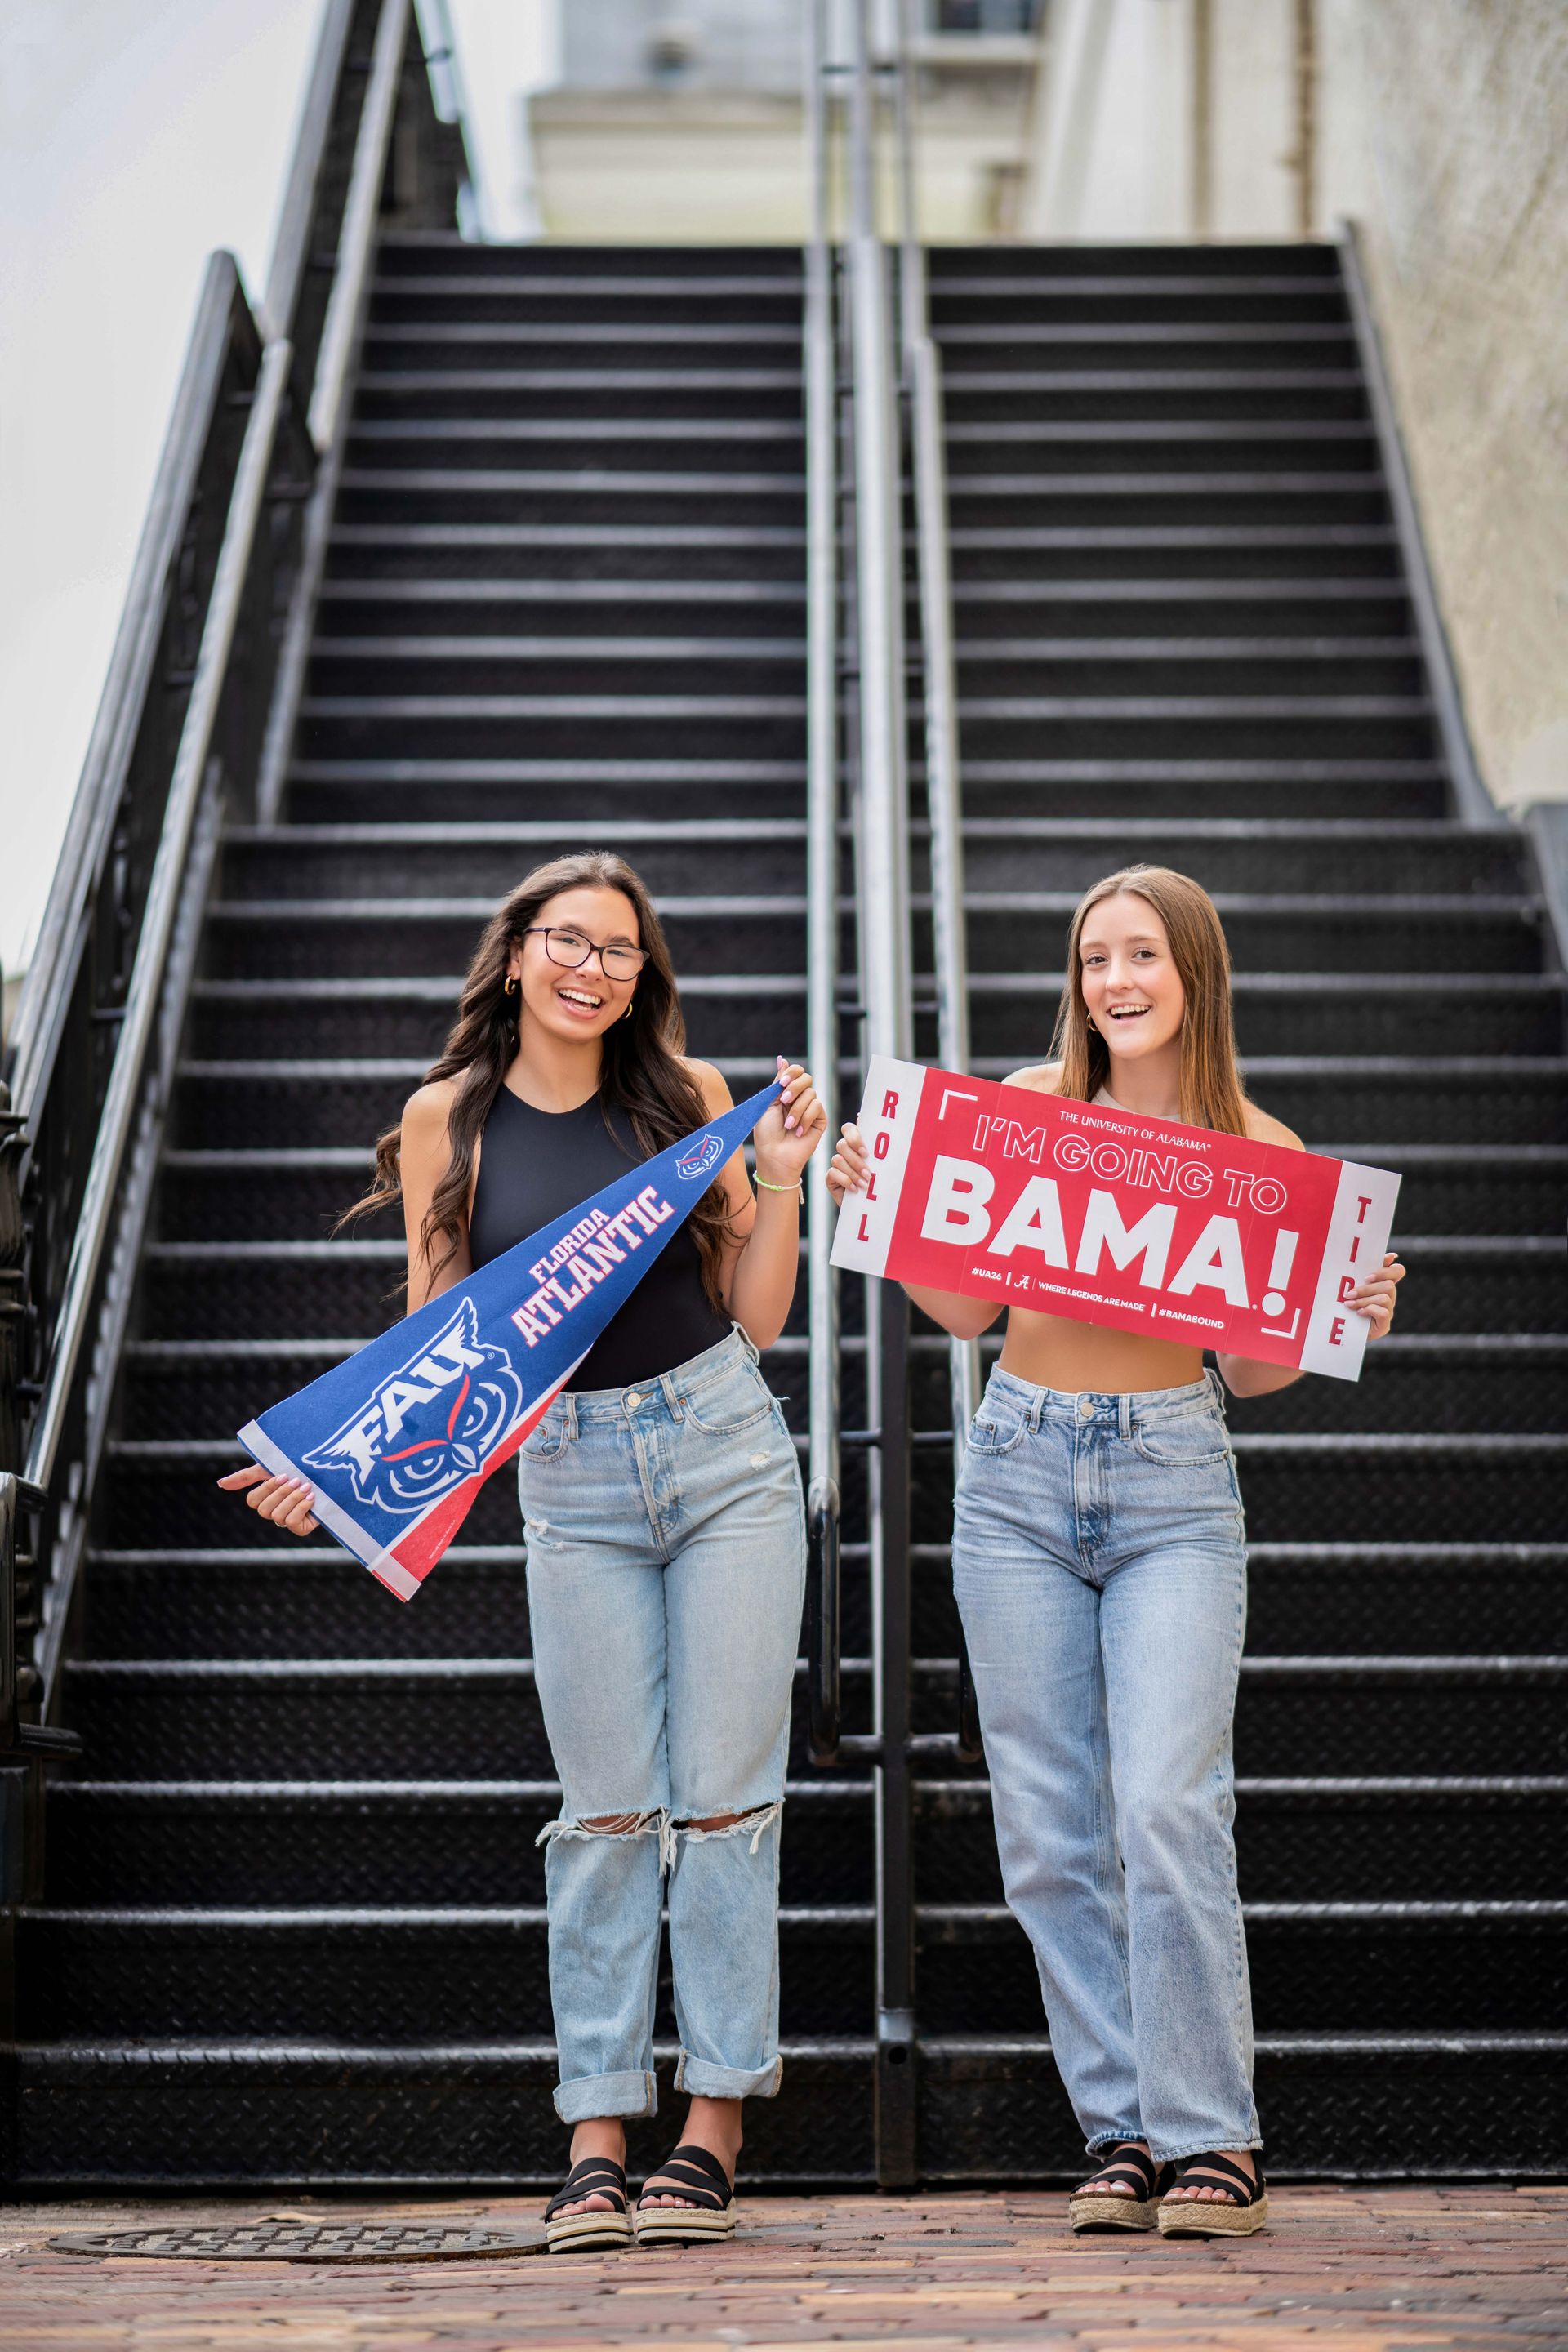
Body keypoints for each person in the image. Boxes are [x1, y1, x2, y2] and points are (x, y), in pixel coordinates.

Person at [220, 850, 826, 2252]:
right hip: (573, 1480)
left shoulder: (686, 1100)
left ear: (641, 979)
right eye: (570, 940)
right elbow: (441, 1347)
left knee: (725, 1802)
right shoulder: (452, 1119)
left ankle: (715, 2124)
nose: (592, 967)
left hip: (726, 1451)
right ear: (516, 957)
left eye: (621, 951)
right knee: (606, 1808)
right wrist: (341, 1474)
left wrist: (780, 1180)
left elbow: (756, 1315)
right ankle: (599, 2128)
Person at [826, 865, 1403, 2239]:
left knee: (1164, 1806)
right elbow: (963, 1305)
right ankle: (1124, 2130)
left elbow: (1256, 1375)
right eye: (1096, 959)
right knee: (1046, 1830)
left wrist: (1350, 1311)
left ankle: (1216, 2140)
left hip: (1172, 1484)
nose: (1117, 982)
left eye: (1144, 954)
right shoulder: (1025, 1113)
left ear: (1194, 971)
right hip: (1017, 1472)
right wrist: (888, 1203)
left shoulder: (1261, 1144)